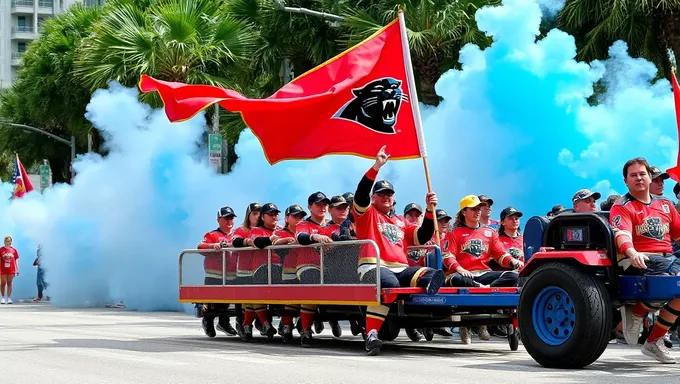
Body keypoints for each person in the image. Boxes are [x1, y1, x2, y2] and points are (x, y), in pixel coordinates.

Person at [353, 146, 444, 356]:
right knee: (391, 286)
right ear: (374, 197)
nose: (386, 197)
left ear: (394, 198)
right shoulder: (366, 214)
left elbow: (422, 236)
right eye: (381, 194)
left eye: (389, 194)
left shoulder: (400, 221)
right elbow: (360, 193)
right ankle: (372, 334)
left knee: (430, 274)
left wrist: (430, 209)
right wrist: (376, 167)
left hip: (401, 268)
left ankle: (431, 306)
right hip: (373, 266)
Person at [610, 157, 680, 363]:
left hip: (668, 258)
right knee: (668, 281)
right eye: (633, 175)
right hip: (639, 259)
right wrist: (632, 252)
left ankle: (653, 341)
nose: (639, 178)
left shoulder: (666, 205)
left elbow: (678, 235)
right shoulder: (622, 206)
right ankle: (638, 311)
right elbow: (621, 234)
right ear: (625, 181)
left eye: (642, 174)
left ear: (650, 177)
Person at [442, 195, 523, 343]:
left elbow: (500, 254)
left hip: (483, 274)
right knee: (457, 279)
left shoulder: (489, 232)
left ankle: (486, 288)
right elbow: (447, 256)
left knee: (513, 276)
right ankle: (480, 293)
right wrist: (459, 268)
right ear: (464, 212)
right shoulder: (454, 233)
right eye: (473, 209)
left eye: (479, 208)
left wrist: (512, 261)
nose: (478, 211)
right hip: (463, 275)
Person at [196, 206, 239, 338]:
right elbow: (200, 246)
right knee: (211, 303)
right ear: (218, 220)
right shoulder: (212, 234)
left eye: (231, 218)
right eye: (226, 218)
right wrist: (213, 246)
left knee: (226, 302)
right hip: (214, 276)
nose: (229, 221)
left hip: (231, 276)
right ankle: (207, 322)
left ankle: (224, 323)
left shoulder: (236, 235)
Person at [1, 236, 19, 304]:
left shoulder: (14, 250)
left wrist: (17, 268)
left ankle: (8, 298)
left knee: (9, 283)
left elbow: (16, 259)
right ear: (5, 241)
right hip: (2, 269)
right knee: (3, 283)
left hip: (11, 269)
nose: (9, 242)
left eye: (10, 241)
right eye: (7, 241)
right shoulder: (1, 250)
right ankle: (3, 297)